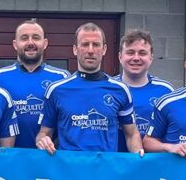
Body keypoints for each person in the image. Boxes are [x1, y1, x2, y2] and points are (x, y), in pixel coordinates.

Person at [35, 22, 142, 155]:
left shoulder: (120, 90)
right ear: (75, 49)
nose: (90, 50)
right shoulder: (56, 90)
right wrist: (43, 141)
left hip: (106, 166)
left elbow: (131, 134)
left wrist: (138, 155)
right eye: (85, 44)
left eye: (96, 44)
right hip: (68, 166)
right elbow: (43, 133)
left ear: (104, 49)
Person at [0, 19, 69, 149]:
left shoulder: (61, 78)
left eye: (36, 38)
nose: (30, 43)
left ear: (45, 43)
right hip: (9, 156)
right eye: (24, 38)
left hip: (49, 156)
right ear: (15, 44)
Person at [116, 29, 175, 152]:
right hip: (116, 161)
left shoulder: (166, 91)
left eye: (142, 53)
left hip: (155, 162)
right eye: (130, 52)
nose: (136, 58)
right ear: (120, 57)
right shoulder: (109, 88)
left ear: (151, 58)